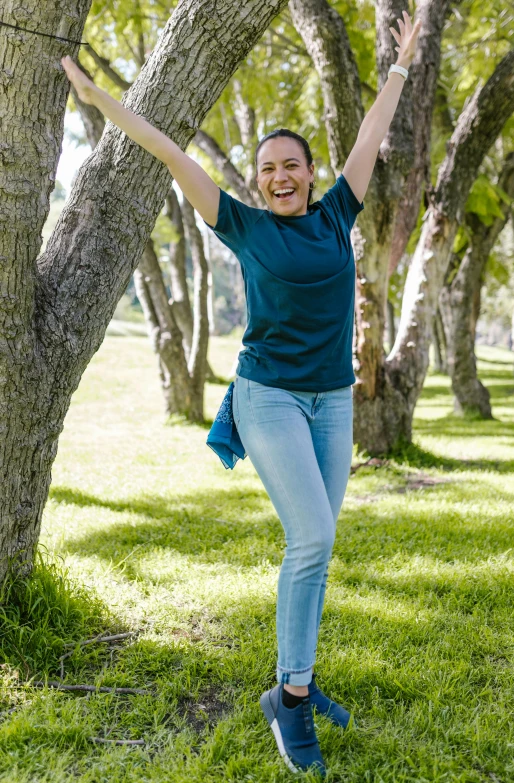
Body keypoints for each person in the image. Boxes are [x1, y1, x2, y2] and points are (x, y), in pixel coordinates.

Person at [61, 10, 421, 776]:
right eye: (268, 169)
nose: (280, 176)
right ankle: (290, 703)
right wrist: (99, 100)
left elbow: (370, 139)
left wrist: (398, 67)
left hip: (332, 401)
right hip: (268, 399)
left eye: (292, 165)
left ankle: (296, 678)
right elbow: (163, 145)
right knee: (312, 537)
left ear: (311, 175)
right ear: (257, 181)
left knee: (318, 549)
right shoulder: (242, 225)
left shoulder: (336, 215)